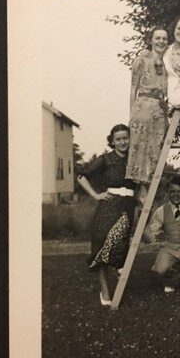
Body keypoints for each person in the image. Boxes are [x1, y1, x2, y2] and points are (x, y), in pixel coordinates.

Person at [77, 124, 136, 306]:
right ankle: (104, 290)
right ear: (112, 141)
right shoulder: (105, 159)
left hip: (127, 206)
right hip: (108, 206)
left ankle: (120, 269)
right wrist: (96, 195)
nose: (122, 142)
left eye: (125, 138)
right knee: (101, 243)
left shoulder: (135, 160)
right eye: (118, 139)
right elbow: (81, 176)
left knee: (119, 242)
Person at [126, 27, 169, 200]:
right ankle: (140, 191)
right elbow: (133, 88)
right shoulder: (141, 59)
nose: (161, 42)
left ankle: (150, 191)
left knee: (156, 149)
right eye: (158, 38)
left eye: (164, 39)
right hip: (142, 107)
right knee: (139, 147)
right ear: (151, 40)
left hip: (159, 109)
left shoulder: (168, 63)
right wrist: (131, 113)